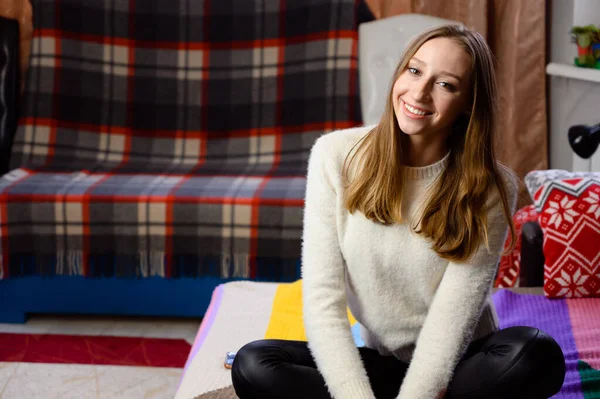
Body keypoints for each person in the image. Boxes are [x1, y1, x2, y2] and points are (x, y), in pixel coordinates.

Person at [230, 24, 566, 399]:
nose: (419, 93)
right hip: (381, 362)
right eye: (414, 70)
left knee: (537, 354)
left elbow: (452, 318)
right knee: (254, 364)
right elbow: (323, 302)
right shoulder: (334, 155)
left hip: (460, 364)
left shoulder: (491, 184)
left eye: (446, 85)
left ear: (469, 101)